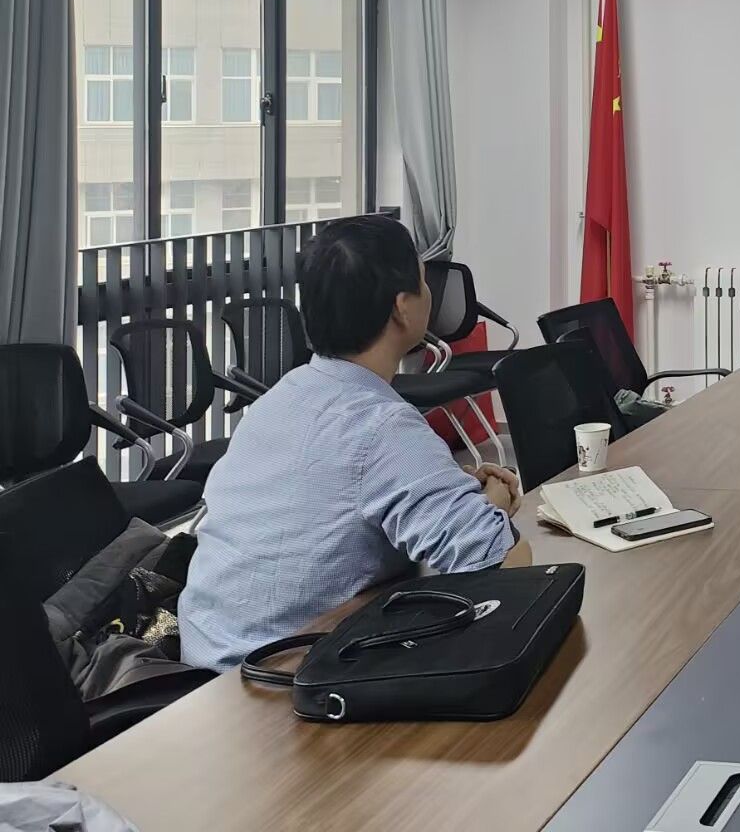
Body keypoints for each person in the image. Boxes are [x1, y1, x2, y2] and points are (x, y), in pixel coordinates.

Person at [179, 215, 531, 672]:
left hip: (203, 663)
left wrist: (453, 497)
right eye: (423, 281)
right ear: (402, 308)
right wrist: (493, 505)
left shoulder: (281, 398)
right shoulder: (382, 427)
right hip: (277, 682)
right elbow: (505, 568)